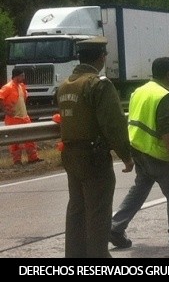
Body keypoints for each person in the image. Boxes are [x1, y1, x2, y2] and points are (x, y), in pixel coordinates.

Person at [109, 57, 169, 248]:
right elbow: (166, 128)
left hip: (138, 148)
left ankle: (115, 227)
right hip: (158, 153)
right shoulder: (164, 96)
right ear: (168, 73)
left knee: (139, 191)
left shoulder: (139, 91)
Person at [55, 36, 134, 258]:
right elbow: (113, 123)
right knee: (98, 212)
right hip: (94, 157)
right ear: (101, 57)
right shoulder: (98, 84)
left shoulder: (64, 86)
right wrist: (126, 156)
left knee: (77, 210)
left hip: (71, 155)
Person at [0, 68, 43, 165]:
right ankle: (17, 161)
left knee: (30, 139)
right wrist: (5, 110)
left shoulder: (22, 86)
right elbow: (0, 97)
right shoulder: (8, 87)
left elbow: (23, 99)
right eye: (22, 76)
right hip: (13, 118)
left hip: (24, 117)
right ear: (17, 76)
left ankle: (33, 158)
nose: (24, 78)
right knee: (15, 142)